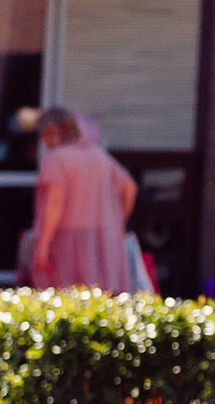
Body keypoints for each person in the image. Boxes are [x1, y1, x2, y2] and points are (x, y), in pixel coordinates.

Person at [28, 107, 139, 292]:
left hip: (67, 238)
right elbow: (130, 188)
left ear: (54, 131)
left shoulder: (55, 159)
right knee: (101, 298)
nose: (42, 140)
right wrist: (118, 220)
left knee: (66, 297)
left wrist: (42, 247)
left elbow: (55, 203)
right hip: (104, 236)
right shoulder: (99, 155)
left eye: (44, 133)